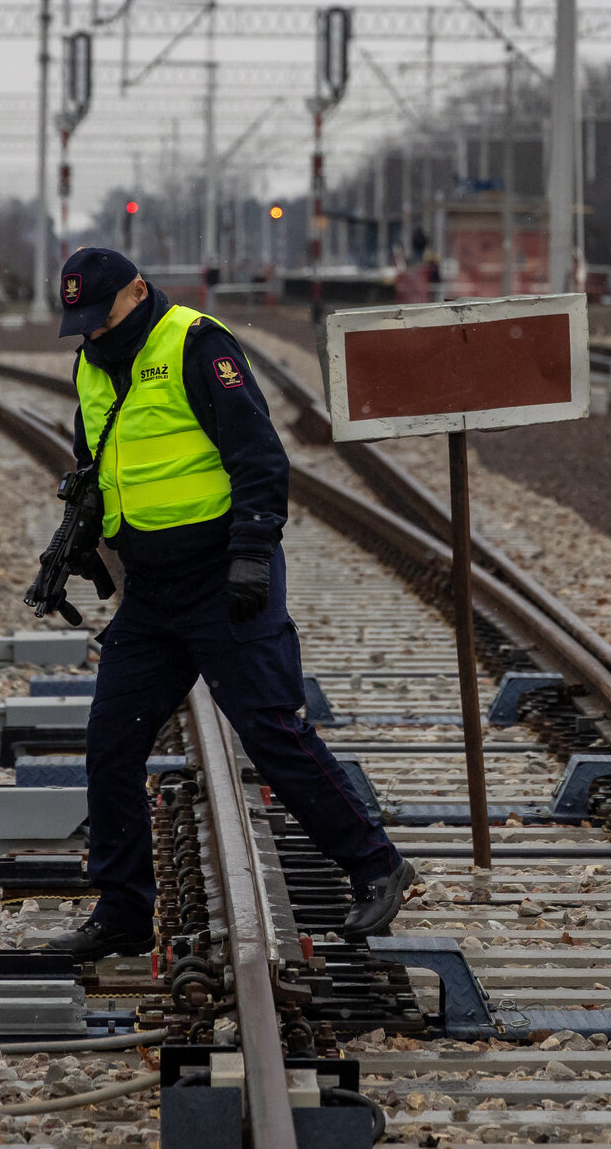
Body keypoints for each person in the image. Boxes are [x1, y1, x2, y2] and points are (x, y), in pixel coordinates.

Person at [39, 247, 415, 961]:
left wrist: (251, 552)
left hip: (223, 577)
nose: (93, 331)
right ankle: (122, 910)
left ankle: (377, 865)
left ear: (138, 290)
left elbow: (259, 457)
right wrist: (82, 537)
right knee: (112, 742)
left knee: (271, 731)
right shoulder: (89, 363)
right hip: (151, 592)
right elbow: (100, 464)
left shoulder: (197, 343)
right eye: (81, 322)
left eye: (101, 316)